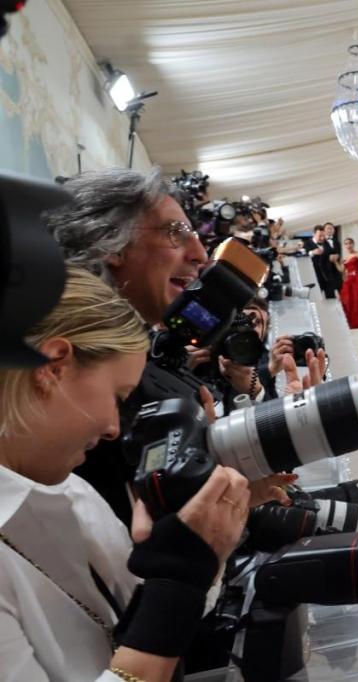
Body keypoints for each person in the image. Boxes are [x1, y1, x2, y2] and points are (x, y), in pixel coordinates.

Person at [0, 267, 251, 682]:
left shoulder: (71, 490)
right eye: (117, 397)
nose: (115, 428)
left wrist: (198, 540)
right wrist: (178, 582)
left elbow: (141, 625)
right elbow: (153, 638)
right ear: (53, 366)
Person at [48, 168, 292, 527]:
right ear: (108, 241)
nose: (200, 254)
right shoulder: (75, 362)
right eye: (176, 233)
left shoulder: (147, 353)